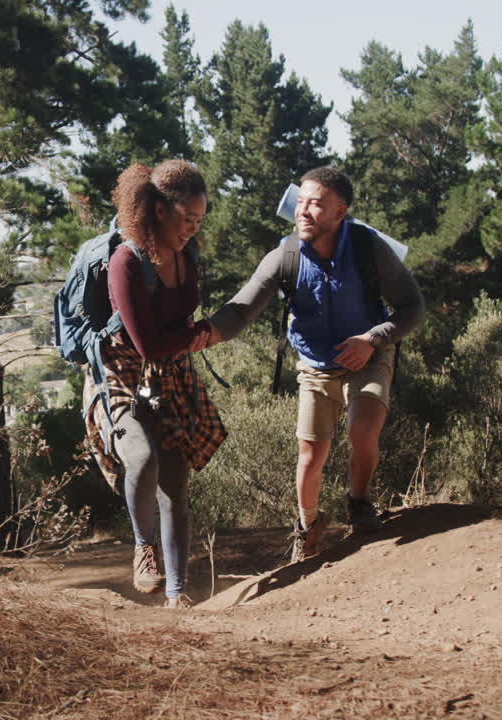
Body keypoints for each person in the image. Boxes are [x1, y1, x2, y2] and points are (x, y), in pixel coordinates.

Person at [208, 166, 424, 563]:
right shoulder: (285, 256)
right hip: (314, 364)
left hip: (369, 354)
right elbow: (240, 311)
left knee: (362, 432)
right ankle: (308, 527)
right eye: (301, 202)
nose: (304, 212)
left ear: (340, 212)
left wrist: (372, 339)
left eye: (317, 205)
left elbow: (413, 308)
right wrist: (200, 334)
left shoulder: (368, 249)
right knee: (310, 454)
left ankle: (358, 503)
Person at [82, 159, 227, 609]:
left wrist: (193, 336)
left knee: (176, 481)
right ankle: (144, 545)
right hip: (121, 371)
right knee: (142, 459)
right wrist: (199, 335)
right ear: (160, 210)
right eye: (187, 219)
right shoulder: (127, 261)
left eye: (199, 220)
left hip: (171, 371)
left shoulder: (187, 256)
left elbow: (174, 331)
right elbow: (144, 343)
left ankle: (177, 592)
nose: (192, 229)